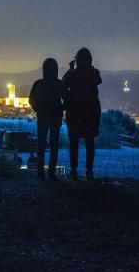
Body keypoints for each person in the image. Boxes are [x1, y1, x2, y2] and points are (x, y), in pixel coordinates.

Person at [62, 47, 102, 179]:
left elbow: (64, 82)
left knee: (74, 143)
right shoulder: (94, 73)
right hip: (91, 113)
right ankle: (89, 171)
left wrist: (70, 69)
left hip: (74, 113)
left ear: (77, 60)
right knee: (89, 143)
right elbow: (98, 80)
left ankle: (74, 170)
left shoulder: (73, 74)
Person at [29, 57, 67, 180]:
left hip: (43, 117)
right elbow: (67, 99)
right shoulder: (59, 84)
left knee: (41, 145)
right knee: (53, 145)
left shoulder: (39, 83)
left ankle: (40, 172)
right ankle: (51, 172)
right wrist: (60, 109)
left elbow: (31, 100)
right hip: (55, 117)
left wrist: (38, 109)